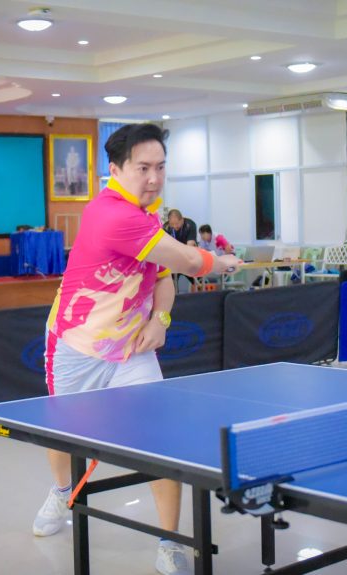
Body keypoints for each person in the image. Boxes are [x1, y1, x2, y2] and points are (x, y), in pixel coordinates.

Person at [33, 124, 241, 575]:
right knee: (63, 438)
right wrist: (220, 261)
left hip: (132, 350)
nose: (154, 178)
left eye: (161, 167)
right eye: (143, 167)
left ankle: (170, 541)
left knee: (159, 442)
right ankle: (62, 491)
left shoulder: (148, 218)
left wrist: (159, 320)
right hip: (76, 348)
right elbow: (190, 261)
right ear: (115, 169)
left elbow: (165, 280)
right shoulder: (111, 214)